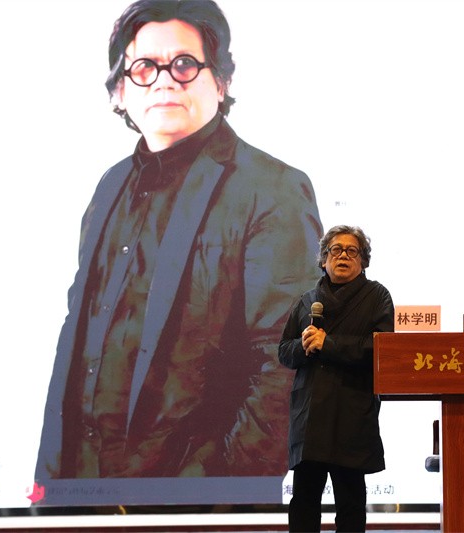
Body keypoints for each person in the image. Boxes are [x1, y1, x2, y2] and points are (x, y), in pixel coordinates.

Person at [35, 0, 322, 480]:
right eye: (144, 67)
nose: (164, 81)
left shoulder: (271, 189)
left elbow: (288, 364)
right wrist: (47, 488)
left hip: (193, 499)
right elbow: (75, 345)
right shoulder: (109, 187)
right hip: (82, 489)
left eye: (184, 64)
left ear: (222, 81)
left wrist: (211, 496)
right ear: (121, 89)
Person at [278, 225, 394, 532]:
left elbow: (382, 348)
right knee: (304, 502)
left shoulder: (377, 296)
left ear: (363, 261)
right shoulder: (307, 301)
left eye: (352, 251)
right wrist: (303, 346)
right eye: (335, 250)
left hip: (351, 412)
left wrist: (328, 344)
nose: (343, 256)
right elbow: (284, 351)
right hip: (311, 415)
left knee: (351, 504)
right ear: (323, 259)